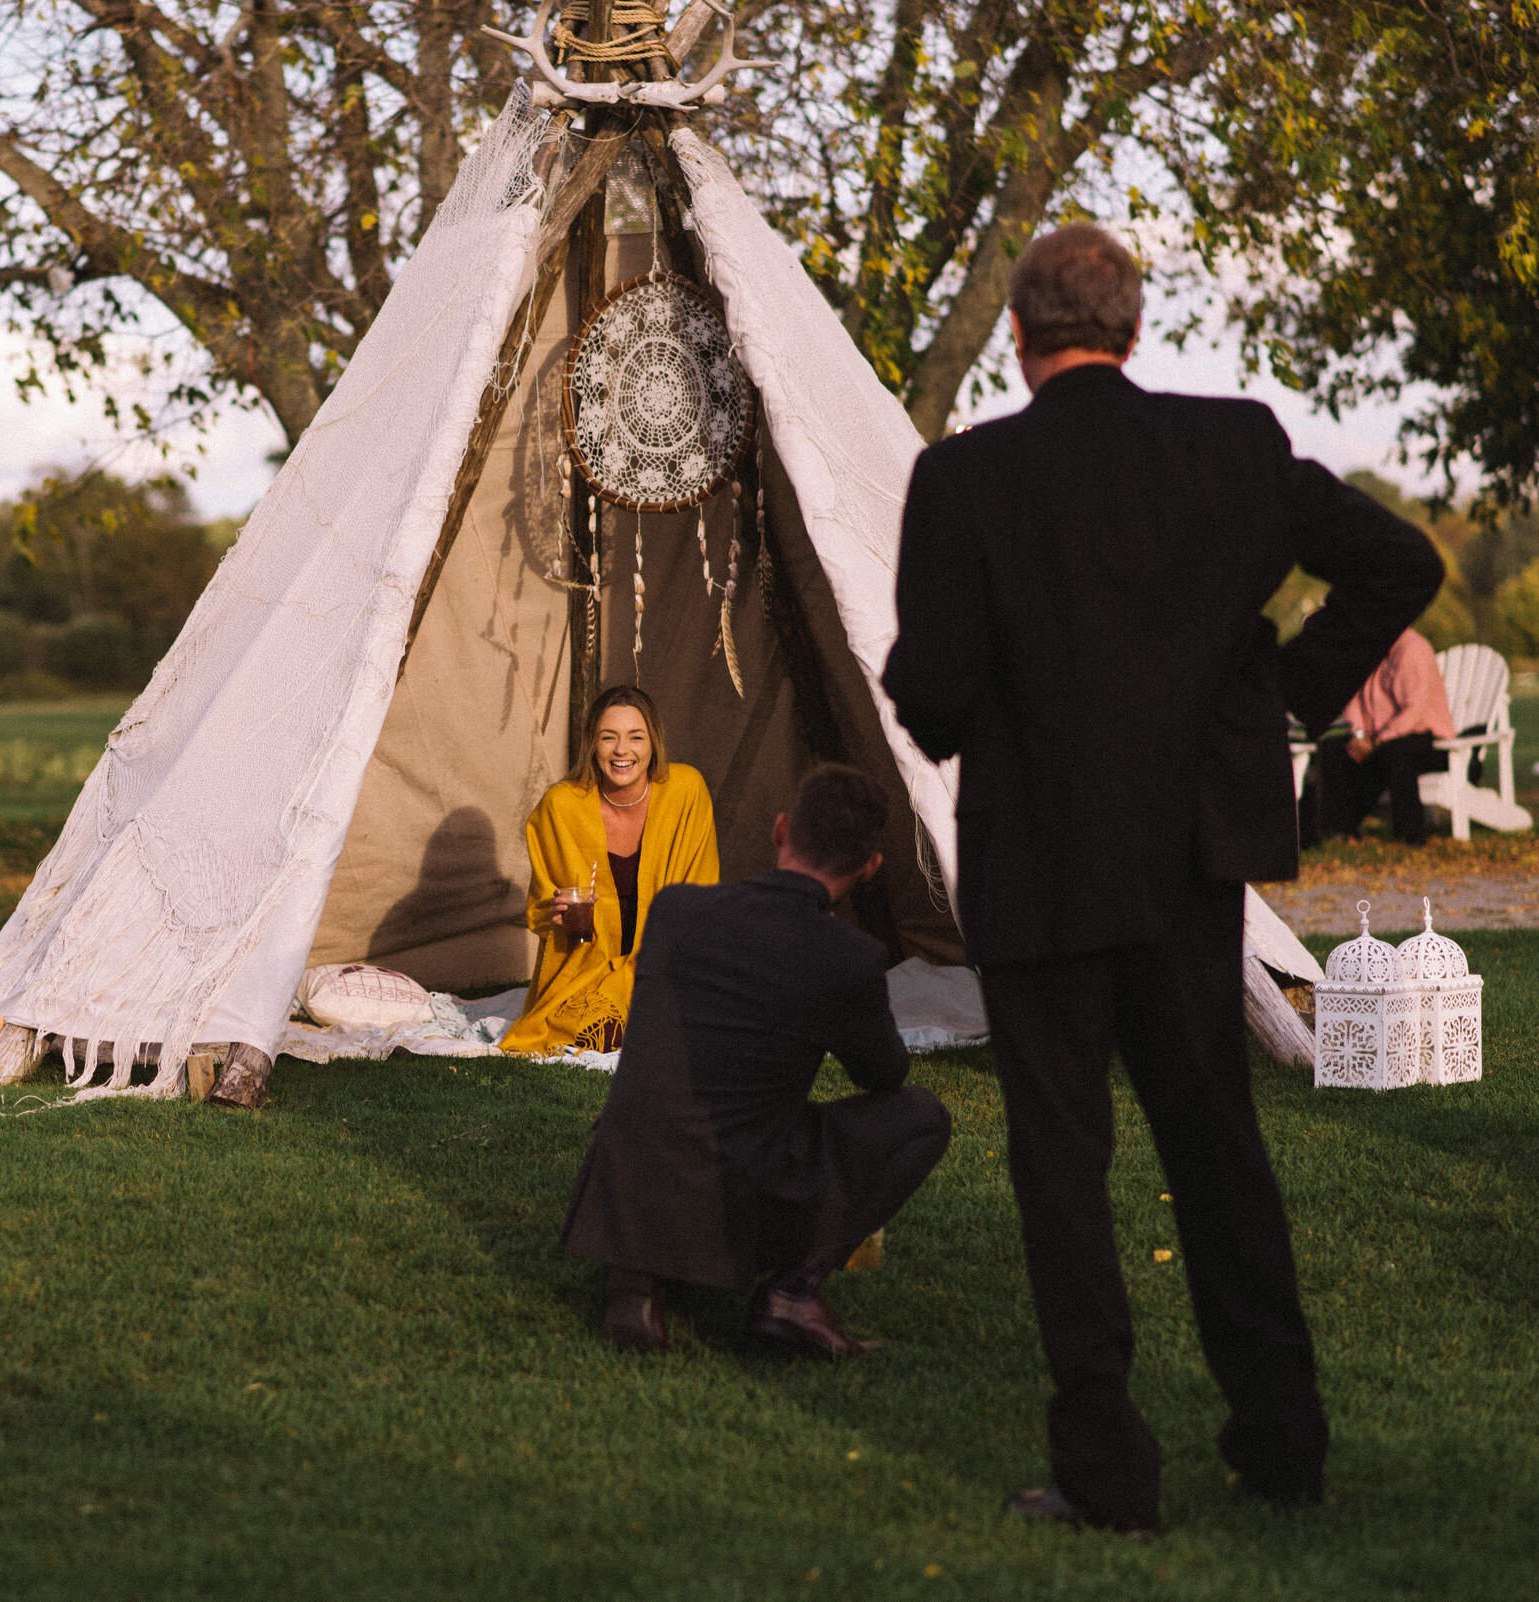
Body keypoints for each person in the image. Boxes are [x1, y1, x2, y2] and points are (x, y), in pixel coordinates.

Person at [881, 224, 1441, 1532]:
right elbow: (1398, 563)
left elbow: (934, 699)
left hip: (1036, 871)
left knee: (1062, 1171)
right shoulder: (1233, 446)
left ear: (1019, 337)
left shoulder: (966, 479)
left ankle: (1105, 1475)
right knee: (1219, 1153)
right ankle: (1283, 1444)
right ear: (1132, 329)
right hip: (1190, 866)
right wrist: (1277, 688)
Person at [559, 763, 949, 1358]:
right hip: (732, 1194)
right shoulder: (849, 957)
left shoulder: (674, 912)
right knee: (920, 1117)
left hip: (627, 1181)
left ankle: (639, 1274)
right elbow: (885, 1077)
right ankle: (793, 1293)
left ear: (780, 830)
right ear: (871, 868)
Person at [499, 685, 718, 1055]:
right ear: (592, 745)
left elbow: (702, 895)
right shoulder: (562, 806)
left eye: (636, 737)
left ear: (653, 743)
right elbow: (539, 909)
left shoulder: (686, 791)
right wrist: (556, 915)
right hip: (585, 967)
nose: (622, 751)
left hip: (665, 962)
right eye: (608, 738)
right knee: (596, 1033)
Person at [1304, 627, 1455, 846]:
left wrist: (1376, 742)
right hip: (1379, 739)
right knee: (1332, 747)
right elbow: (1352, 698)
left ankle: (1410, 835)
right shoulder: (1368, 651)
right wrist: (1358, 736)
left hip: (1428, 739)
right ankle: (1339, 830)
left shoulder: (1412, 650)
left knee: (1396, 752)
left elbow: (1415, 710)